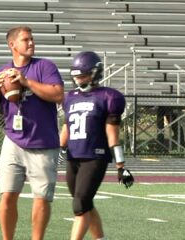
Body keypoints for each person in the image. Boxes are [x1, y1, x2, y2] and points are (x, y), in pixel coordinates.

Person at [0, 26, 64, 240]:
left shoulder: (44, 67)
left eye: (32, 39)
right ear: (12, 45)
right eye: (25, 39)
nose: (31, 43)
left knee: (41, 198)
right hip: (13, 141)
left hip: (44, 143)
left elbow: (57, 94)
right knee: (7, 195)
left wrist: (26, 82)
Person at [58, 51, 134, 240]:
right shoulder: (70, 97)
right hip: (73, 156)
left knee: (80, 205)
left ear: (95, 74)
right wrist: (58, 151)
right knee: (85, 204)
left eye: (83, 75)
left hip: (95, 156)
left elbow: (112, 134)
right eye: (76, 76)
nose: (78, 80)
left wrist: (121, 166)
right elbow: (66, 127)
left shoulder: (108, 96)